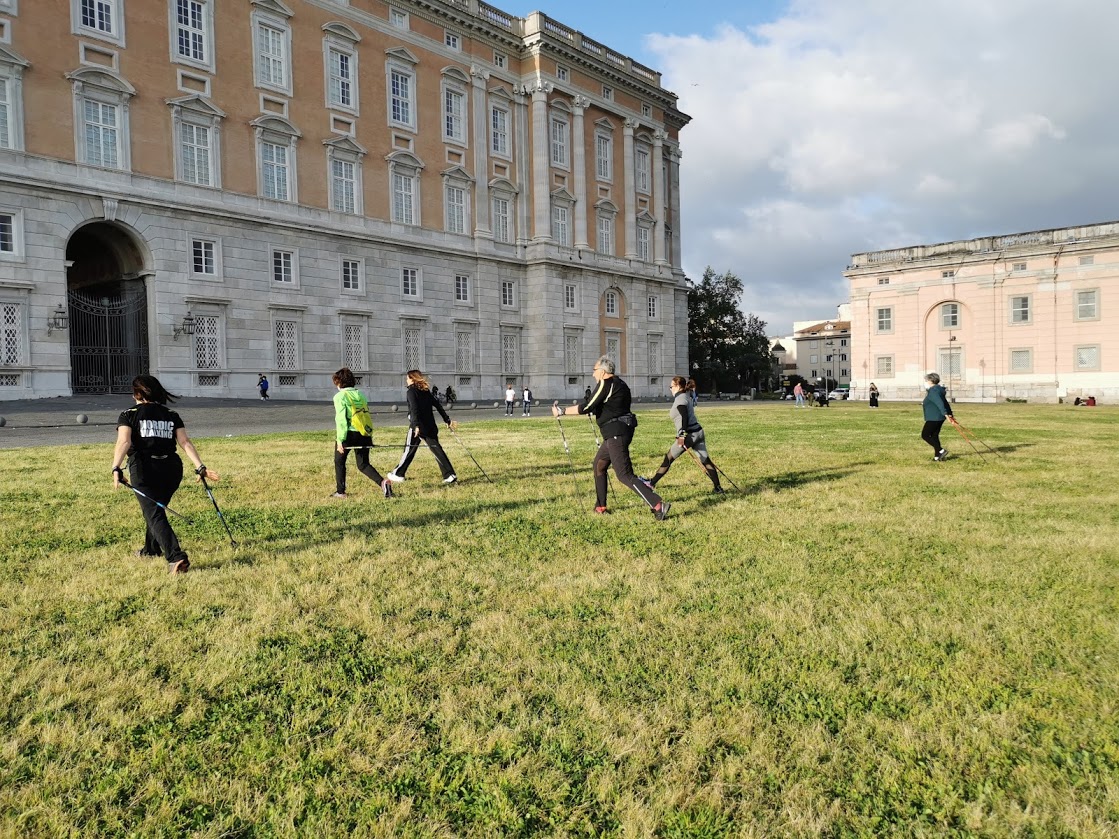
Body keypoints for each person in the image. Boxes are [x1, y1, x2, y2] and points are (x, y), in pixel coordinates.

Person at [110, 374, 219, 575]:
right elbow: (185, 442)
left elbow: (124, 441)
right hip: (172, 469)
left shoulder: (128, 414)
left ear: (137, 393)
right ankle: (150, 550)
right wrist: (200, 467)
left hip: (144, 468)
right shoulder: (171, 414)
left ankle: (176, 557)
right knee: (155, 510)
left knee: (154, 512)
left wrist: (116, 467)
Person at [553, 355, 671, 520]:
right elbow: (607, 406)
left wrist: (562, 411)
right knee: (599, 465)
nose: (593, 374)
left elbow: (587, 406)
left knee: (624, 475)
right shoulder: (620, 384)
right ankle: (600, 507)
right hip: (617, 432)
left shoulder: (605, 383)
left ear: (602, 372)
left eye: (594, 370)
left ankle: (657, 504)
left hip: (616, 433)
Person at [647, 375, 723, 494]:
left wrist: (682, 435)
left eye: (671, 387)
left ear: (677, 386)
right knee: (705, 460)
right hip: (698, 432)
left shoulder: (680, 399)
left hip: (689, 436)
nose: (670, 389)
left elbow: (684, 416)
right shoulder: (685, 395)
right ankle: (718, 488)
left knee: (668, 458)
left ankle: (651, 484)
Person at [388, 370, 458, 484]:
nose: (406, 380)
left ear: (412, 379)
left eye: (407, 378)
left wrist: (416, 425)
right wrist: (447, 419)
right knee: (436, 449)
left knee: (409, 449)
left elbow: (414, 409)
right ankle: (450, 475)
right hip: (430, 426)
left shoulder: (411, 392)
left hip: (418, 427)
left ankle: (398, 474)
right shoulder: (425, 391)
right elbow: (438, 405)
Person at [332, 367, 393, 499]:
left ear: (339, 382)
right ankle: (383, 482)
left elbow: (341, 420)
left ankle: (340, 492)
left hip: (349, 434)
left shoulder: (340, 397)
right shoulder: (361, 395)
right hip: (364, 433)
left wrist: (340, 440)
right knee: (363, 464)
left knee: (339, 461)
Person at [921, 371, 957, 461]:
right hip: (939, 417)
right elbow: (945, 403)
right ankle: (937, 457)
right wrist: (950, 414)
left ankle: (941, 450)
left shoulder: (933, 391)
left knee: (925, 435)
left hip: (934, 417)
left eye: (926, 380)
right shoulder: (938, 389)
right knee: (934, 435)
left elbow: (940, 403)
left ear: (930, 381)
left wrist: (946, 414)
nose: (925, 382)